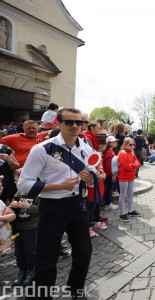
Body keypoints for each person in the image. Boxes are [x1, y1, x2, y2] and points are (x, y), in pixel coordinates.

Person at [17, 108, 96, 299]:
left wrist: (91, 179)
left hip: (78, 206)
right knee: (46, 258)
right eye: (69, 122)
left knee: (84, 252)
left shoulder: (86, 149)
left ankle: (76, 290)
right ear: (58, 124)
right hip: (52, 207)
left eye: (79, 122)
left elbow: (93, 177)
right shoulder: (42, 149)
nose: (75, 126)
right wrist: (57, 186)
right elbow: (24, 184)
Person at [9, 182, 39, 286]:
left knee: (30, 250)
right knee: (19, 251)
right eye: (16, 180)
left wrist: (28, 206)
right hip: (18, 228)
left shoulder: (37, 193)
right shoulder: (18, 193)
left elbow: (42, 209)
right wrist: (11, 205)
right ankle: (22, 270)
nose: (16, 182)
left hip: (31, 228)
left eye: (19, 180)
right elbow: (9, 208)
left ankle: (31, 270)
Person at [117, 137, 142, 222]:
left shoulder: (132, 153)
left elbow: (138, 163)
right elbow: (126, 166)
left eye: (133, 144)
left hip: (131, 176)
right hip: (124, 176)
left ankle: (130, 211)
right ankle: (122, 213)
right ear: (125, 144)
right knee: (123, 195)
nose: (132, 146)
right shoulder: (122, 153)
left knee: (130, 194)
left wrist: (133, 165)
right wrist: (134, 166)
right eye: (130, 144)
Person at [102, 136, 119, 211]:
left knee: (109, 189)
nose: (115, 143)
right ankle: (108, 204)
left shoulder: (111, 152)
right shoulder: (109, 153)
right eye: (113, 142)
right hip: (109, 175)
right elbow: (109, 166)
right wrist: (113, 175)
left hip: (110, 174)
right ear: (109, 143)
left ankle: (108, 203)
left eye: (115, 141)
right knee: (109, 189)